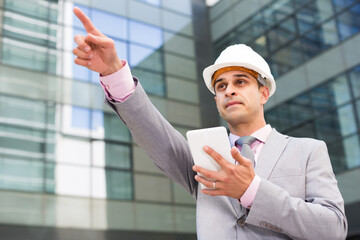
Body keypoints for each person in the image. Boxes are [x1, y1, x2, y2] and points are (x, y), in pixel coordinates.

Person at [72, 7, 347, 239]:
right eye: (221, 86)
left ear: (264, 92)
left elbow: (333, 228)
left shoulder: (309, 151)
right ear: (216, 99)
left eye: (240, 82)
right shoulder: (201, 160)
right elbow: (153, 133)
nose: (228, 90)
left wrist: (252, 191)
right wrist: (113, 72)